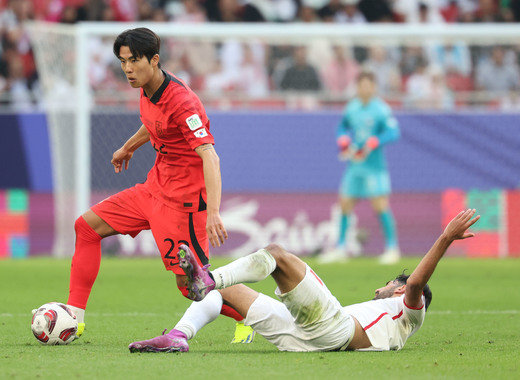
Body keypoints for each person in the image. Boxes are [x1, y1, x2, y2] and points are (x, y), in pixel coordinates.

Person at [65, 27, 254, 343]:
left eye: (134, 61)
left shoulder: (183, 102)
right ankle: (73, 320)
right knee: (86, 227)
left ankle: (250, 316)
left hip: (184, 205)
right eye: (123, 61)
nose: (127, 69)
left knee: (192, 285)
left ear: (154, 60)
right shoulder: (145, 88)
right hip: (153, 189)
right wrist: (129, 146)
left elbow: (211, 157)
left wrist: (214, 213)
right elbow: (154, 123)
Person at [129, 209, 479, 353]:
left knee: (278, 254)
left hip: (335, 330)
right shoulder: (388, 314)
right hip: (306, 339)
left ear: (399, 290)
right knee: (228, 293)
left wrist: (446, 237)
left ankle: (206, 278)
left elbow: (417, 284)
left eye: (389, 284)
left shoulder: (410, 311)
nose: (380, 289)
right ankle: (177, 337)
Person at [319, 71, 401, 264]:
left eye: (368, 85)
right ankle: (340, 248)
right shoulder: (352, 108)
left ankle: (392, 248)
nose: (364, 89)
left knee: (380, 205)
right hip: (355, 165)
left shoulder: (381, 109)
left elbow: (394, 132)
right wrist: (343, 139)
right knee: (345, 204)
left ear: (373, 87)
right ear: (357, 87)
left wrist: (376, 141)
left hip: (375, 167)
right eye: (361, 85)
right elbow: (341, 127)